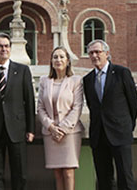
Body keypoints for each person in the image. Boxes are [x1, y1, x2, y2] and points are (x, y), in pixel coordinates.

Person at [0, 33, 35, 190]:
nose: (4, 49)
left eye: (6, 46)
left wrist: (31, 129)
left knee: (20, 172)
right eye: (0, 46)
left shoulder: (22, 70)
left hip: (17, 129)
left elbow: (29, 101)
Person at [82, 40, 137, 190]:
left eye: (98, 52)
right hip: (99, 135)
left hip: (120, 133)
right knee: (104, 179)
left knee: (125, 178)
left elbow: (133, 103)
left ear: (107, 53)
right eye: (91, 53)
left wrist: (127, 126)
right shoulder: (87, 80)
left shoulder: (121, 73)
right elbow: (92, 106)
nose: (94, 56)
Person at [37, 47, 84, 190]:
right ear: (51, 61)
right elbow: (40, 107)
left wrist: (62, 129)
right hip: (50, 132)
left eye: (62, 57)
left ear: (68, 61)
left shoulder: (76, 81)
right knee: (57, 173)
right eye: (55, 57)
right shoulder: (44, 81)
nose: (58, 60)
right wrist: (51, 127)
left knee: (69, 173)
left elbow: (77, 107)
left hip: (69, 133)